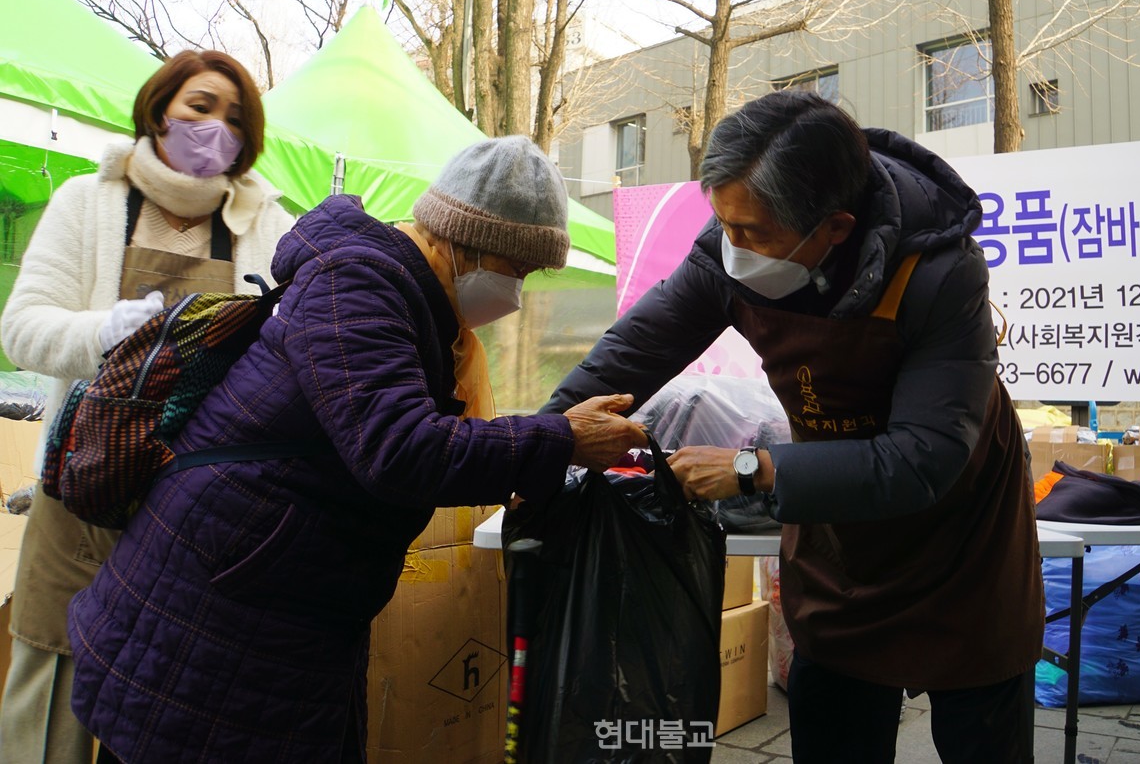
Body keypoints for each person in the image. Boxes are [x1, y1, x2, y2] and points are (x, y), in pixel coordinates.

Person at [65, 135, 647, 763]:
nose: (517, 293)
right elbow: (398, 448)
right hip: (217, 603)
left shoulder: (404, 296)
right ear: (461, 242)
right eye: (518, 270)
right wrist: (562, 438)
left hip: (275, 597)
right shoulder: (360, 284)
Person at [544, 91, 1044, 763]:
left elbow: (926, 457)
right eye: (723, 224)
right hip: (839, 537)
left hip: (961, 541)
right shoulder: (729, 250)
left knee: (981, 739)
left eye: (750, 232)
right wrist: (539, 445)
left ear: (834, 228)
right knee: (834, 726)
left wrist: (754, 468)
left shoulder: (939, 272)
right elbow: (630, 355)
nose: (732, 246)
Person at [0, 49, 296, 764]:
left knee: (175, 701)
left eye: (234, 116)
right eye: (200, 105)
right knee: (51, 695)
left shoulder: (268, 223)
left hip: (198, 509)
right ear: (161, 107)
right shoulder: (86, 201)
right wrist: (103, 332)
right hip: (81, 491)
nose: (213, 126)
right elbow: (21, 328)